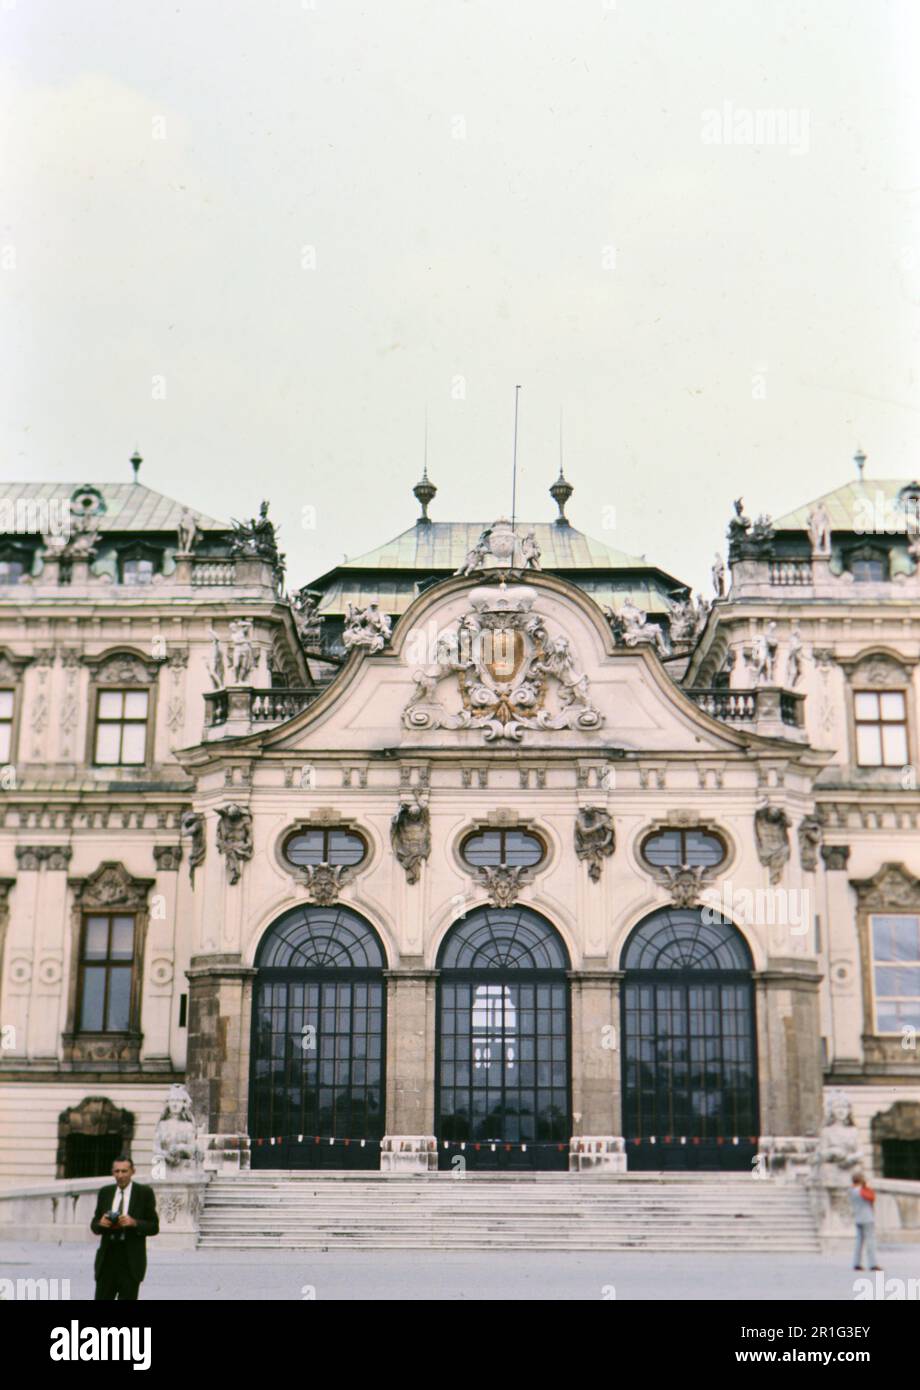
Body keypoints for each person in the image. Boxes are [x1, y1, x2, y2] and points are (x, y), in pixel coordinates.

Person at [91, 1156, 159, 1300]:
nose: (120, 1175)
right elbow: (94, 1225)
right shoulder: (105, 1192)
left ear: (132, 1171)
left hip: (130, 1261)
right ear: (112, 1172)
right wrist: (100, 1224)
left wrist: (134, 1223)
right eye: (117, 1171)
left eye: (124, 1171)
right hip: (107, 1259)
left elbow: (154, 1226)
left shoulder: (143, 1193)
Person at [850, 1172, 882, 1272]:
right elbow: (871, 1197)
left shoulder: (851, 1190)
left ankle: (856, 1263)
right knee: (870, 1241)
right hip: (867, 1218)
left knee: (859, 1242)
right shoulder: (862, 1190)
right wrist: (866, 1186)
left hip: (858, 1218)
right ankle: (873, 1264)